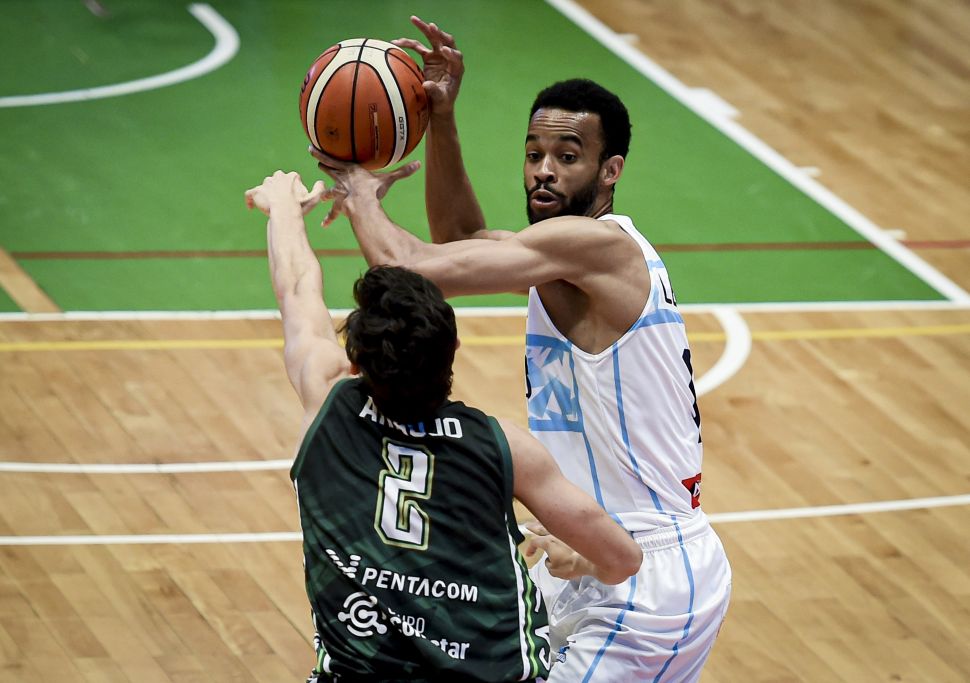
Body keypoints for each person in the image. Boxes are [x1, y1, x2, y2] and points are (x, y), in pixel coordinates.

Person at [308, 16, 733, 683]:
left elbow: (413, 267)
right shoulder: (561, 259)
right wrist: (442, 119)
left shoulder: (600, 248)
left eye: (567, 156)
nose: (543, 170)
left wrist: (359, 192)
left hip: (646, 574)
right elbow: (460, 239)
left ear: (611, 170)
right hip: (584, 556)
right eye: (534, 154)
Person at [244, 170, 642, 683]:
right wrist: (585, 564)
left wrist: (283, 210)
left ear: (355, 361)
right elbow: (622, 558)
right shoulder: (504, 447)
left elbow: (298, 291)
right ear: (453, 349)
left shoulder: (328, 401)